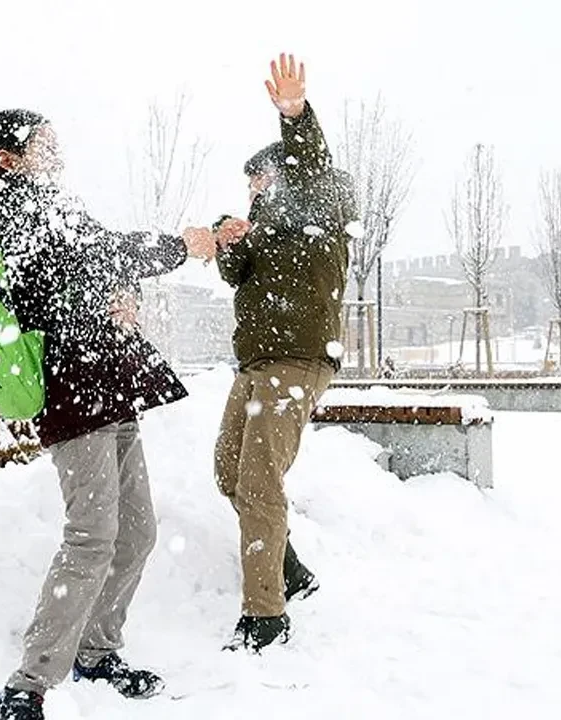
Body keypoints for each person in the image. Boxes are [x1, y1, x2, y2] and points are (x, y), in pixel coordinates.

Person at [0, 110, 218, 720]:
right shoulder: (14, 206)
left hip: (108, 380)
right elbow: (93, 258)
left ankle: (96, 651)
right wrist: (179, 248)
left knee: (137, 532)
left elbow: (90, 270)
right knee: (92, 536)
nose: (57, 150)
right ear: (10, 158)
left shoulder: (51, 201)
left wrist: (123, 297)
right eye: (44, 143)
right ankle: (26, 685)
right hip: (73, 390)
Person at [210, 54, 355, 652]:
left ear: (287, 175)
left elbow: (313, 166)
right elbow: (234, 274)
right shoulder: (263, 231)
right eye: (249, 184)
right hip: (257, 364)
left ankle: (265, 615)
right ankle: (290, 569)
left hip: (297, 361)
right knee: (228, 471)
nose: (254, 189)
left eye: (262, 179)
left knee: (260, 481)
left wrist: (294, 115)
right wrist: (226, 238)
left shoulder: (320, 207)